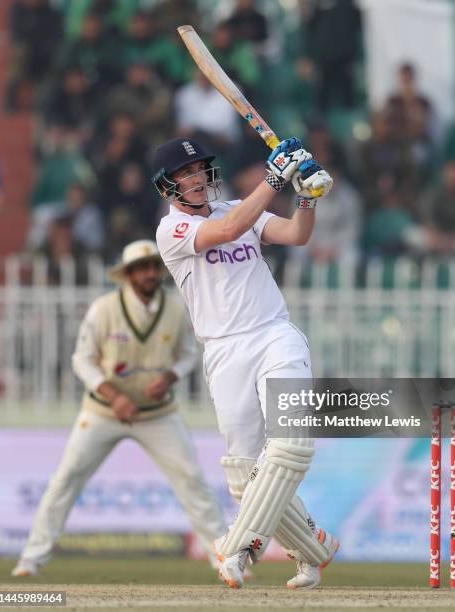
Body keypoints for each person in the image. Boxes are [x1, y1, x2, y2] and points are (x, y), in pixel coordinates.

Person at [154, 136, 338, 590]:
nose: (197, 178)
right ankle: (313, 553)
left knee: (292, 442)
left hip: (274, 333)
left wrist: (305, 198)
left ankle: (236, 549)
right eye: (185, 174)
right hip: (224, 349)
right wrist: (274, 179)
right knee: (244, 474)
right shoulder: (171, 231)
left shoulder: (239, 207)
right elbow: (228, 231)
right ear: (167, 187)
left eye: (200, 169)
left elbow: (296, 234)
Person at [12, 240, 227, 577]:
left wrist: (170, 376)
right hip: (103, 412)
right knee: (66, 479)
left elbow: (188, 354)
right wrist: (115, 396)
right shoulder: (104, 309)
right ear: (128, 274)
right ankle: (31, 559)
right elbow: (82, 361)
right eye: (142, 268)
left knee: (192, 480)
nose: (150, 273)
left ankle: (223, 558)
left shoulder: (174, 308)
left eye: (155, 266)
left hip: (158, 413)